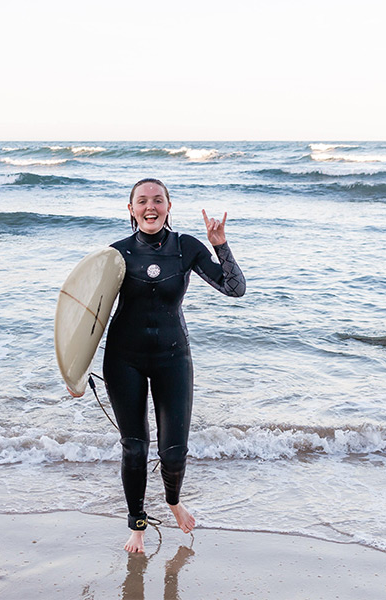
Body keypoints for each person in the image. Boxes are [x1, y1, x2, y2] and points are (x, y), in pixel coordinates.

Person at [103, 178, 245, 553]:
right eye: (142, 201)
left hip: (172, 357)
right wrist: (73, 371)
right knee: (134, 448)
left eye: (158, 200)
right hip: (123, 358)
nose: (151, 207)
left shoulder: (187, 247)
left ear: (169, 206)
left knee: (174, 452)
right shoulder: (114, 255)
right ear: (130, 209)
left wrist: (220, 245)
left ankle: (172, 500)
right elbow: (90, 315)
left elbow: (234, 288)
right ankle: (137, 525)